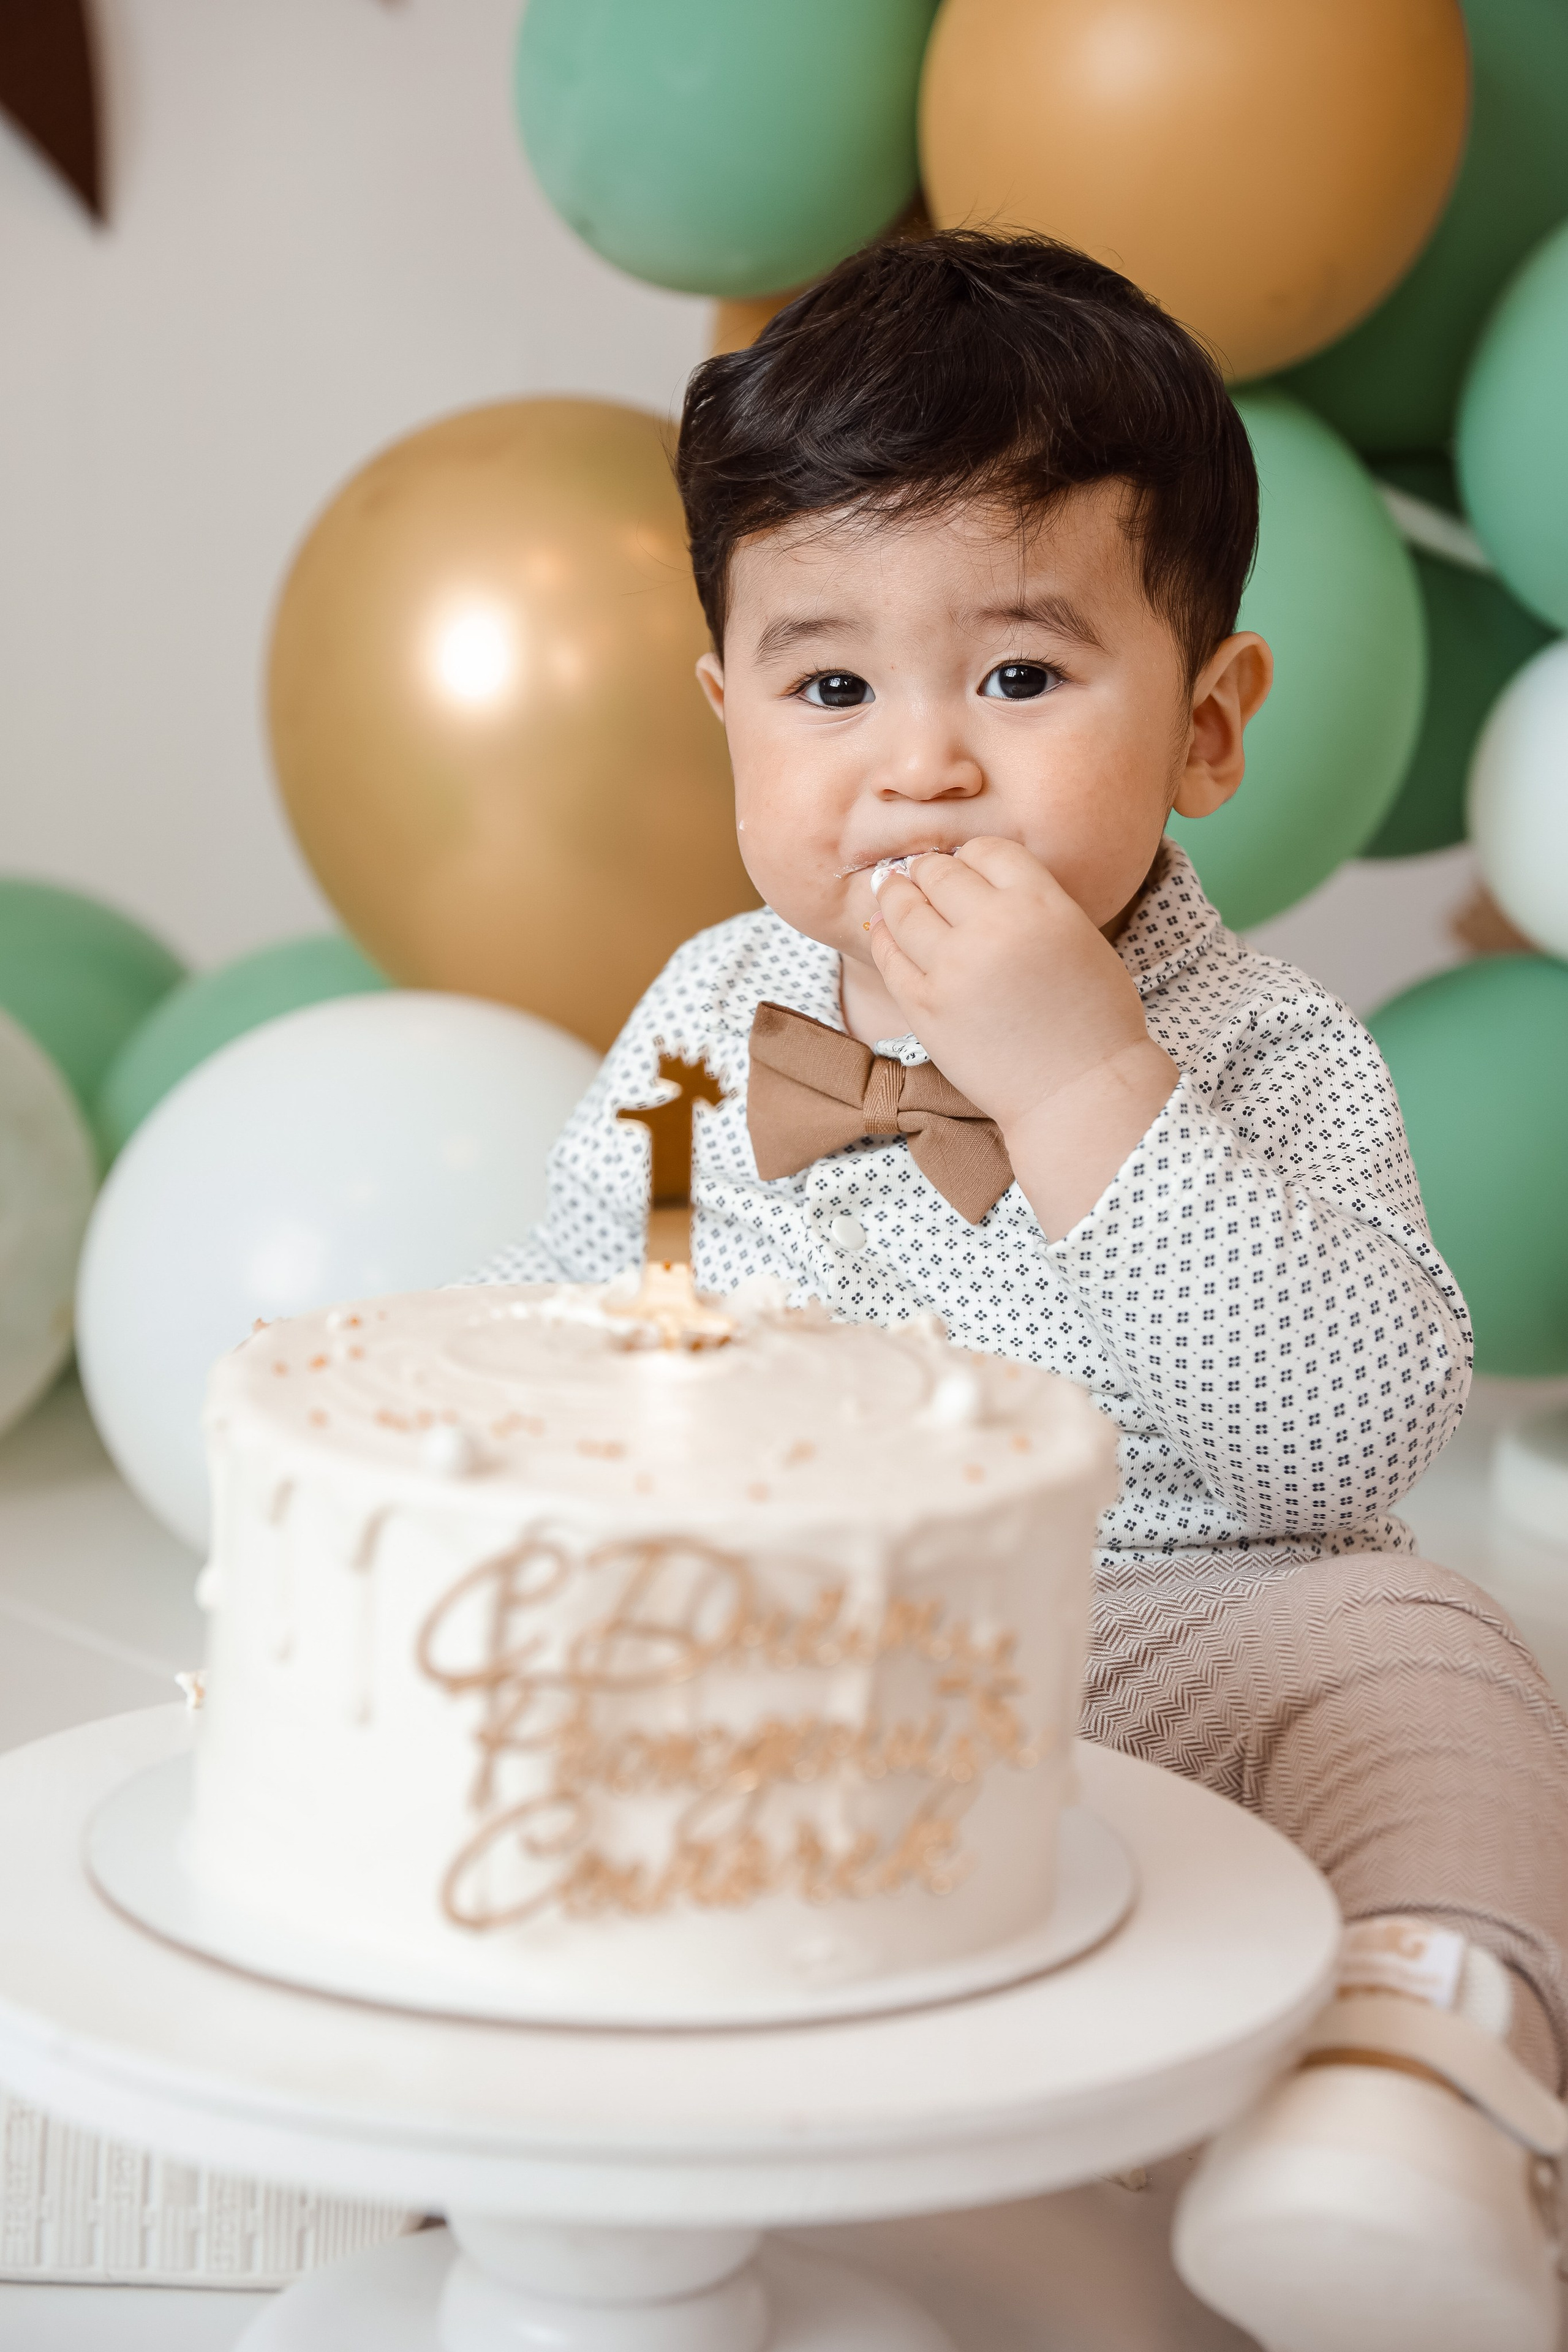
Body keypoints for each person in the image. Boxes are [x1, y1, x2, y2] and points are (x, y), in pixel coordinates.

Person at [472, 231, 1568, 2351]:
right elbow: (578, 1323)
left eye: (1023, 676)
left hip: (1166, 1623)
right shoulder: (710, 1021)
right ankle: (588, 2133)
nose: (921, 763)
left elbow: (1346, 1440)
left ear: (1209, 725)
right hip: (801, 1649)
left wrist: (1085, 1081)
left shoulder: (1265, 1047)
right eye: (828, 686)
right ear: (725, 712)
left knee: (1422, 1653)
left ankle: (1403, 2088)